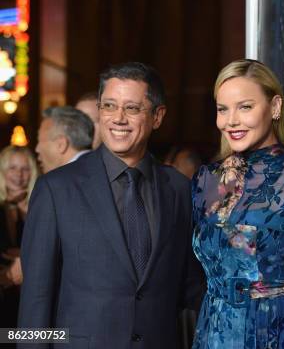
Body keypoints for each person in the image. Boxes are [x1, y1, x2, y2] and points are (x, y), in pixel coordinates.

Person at [19, 62, 203, 348]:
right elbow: (36, 299)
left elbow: (190, 287)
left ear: (157, 116)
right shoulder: (56, 189)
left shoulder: (178, 189)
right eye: (108, 106)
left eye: (131, 108)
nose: (118, 118)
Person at [191, 59, 284, 348]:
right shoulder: (205, 181)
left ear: (274, 107)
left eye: (245, 107)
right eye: (223, 109)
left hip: (279, 331)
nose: (231, 120)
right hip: (215, 331)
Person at [0, 146, 38, 329]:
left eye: (25, 168)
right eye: (12, 168)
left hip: (33, 297)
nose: (19, 174)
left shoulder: (42, 205)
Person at [35, 106, 94, 173]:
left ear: (61, 144)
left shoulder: (59, 181)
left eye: (39, 141)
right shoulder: (102, 168)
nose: (37, 149)